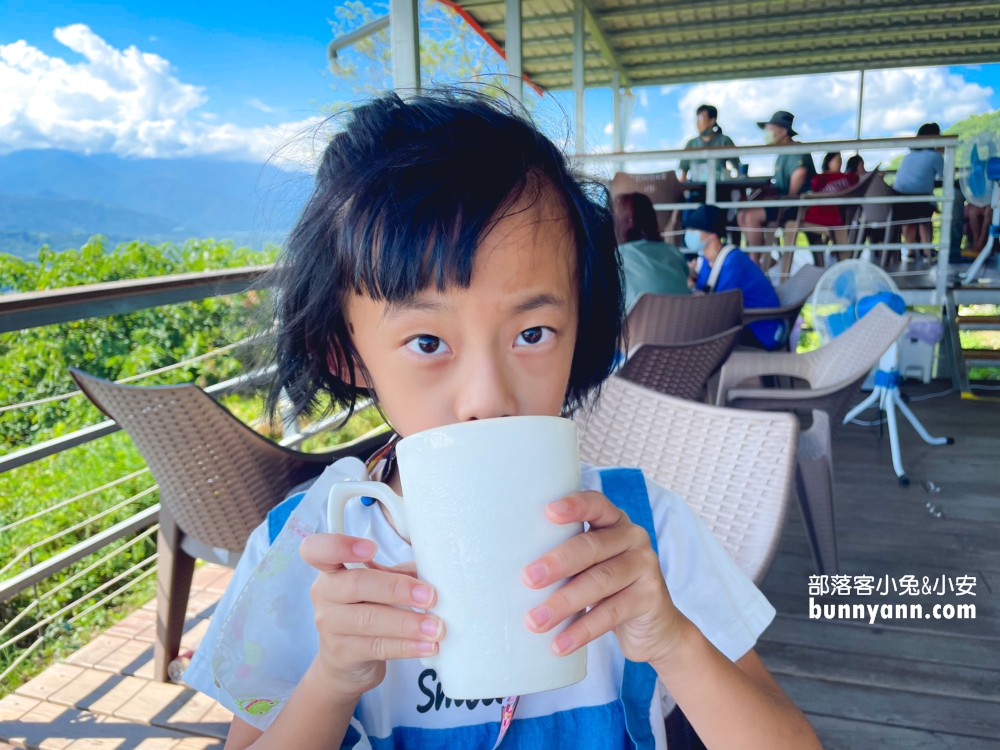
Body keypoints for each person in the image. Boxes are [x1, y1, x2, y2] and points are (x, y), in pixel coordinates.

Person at [182, 90, 820, 750]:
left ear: (584, 328)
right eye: (428, 343)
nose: (487, 398)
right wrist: (331, 680)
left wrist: (672, 641)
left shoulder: (645, 532)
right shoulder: (304, 553)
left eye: (535, 332)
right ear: (345, 352)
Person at [686, 205, 787, 350]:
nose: (688, 234)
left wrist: (690, 285)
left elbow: (715, 307)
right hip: (742, 322)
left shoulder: (732, 262)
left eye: (693, 230)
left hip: (763, 331)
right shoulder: (706, 260)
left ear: (711, 235)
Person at [737, 111, 817, 270]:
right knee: (742, 214)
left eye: (770, 128)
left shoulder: (795, 149)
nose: (767, 133)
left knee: (751, 216)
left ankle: (756, 263)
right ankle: (759, 260)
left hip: (797, 207)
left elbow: (800, 172)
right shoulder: (781, 154)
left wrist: (789, 198)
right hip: (784, 204)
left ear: (783, 131)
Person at [613, 192, 691, 308]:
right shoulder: (673, 252)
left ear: (616, 223)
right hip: (685, 324)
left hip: (637, 325)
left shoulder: (613, 258)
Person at [894, 122, 944, 262]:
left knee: (909, 219)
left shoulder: (908, 157)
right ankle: (928, 251)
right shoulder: (935, 156)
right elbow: (945, 175)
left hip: (899, 199)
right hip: (921, 200)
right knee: (925, 216)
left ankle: (910, 252)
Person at [804, 152, 860, 261]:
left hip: (840, 215)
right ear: (828, 162)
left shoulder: (849, 177)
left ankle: (828, 259)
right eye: (837, 160)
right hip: (819, 214)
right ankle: (819, 261)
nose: (840, 163)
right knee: (807, 227)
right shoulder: (820, 178)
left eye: (841, 161)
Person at [677, 104, 740, 184]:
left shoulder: (724, 141)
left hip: (720, 189)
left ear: (712, 121)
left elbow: (739, 169)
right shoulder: (691, 144)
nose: (697, 122)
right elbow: (683, 176)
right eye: (697, 118)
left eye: (701, 118)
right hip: (696, 190)